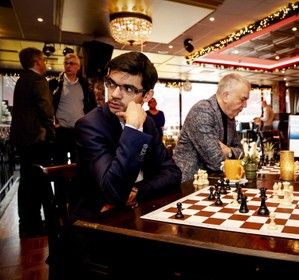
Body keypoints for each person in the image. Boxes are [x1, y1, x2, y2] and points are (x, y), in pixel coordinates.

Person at [56, 51, 181, 278]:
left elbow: (173, 172)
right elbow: (113, 193)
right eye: (111, 83)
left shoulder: (149, 124)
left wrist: (136, 190)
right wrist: (132, 130)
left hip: (135, 219)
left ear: (147, 94)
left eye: (128, 89)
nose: (114, 94)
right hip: (94, 228)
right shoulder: (89, 125)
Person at [9, 47, 55, 238]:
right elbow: (46, 110)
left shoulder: (21, 80)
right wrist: (52, 132)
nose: (45, 64)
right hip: (37, 138)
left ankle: (26, 223)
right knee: (39, 181)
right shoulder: (37, 80)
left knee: (26, 182)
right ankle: (40, 224)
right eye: (43, 60)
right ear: (37, 61)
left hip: (22, 139)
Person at [173, 73, 250, 183]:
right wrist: (230, 156)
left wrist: (228, 151)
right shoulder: (202, 111)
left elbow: (242, 153)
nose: (245, 105)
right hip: (189, 184)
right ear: (226, 96)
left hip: (215, 181)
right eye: (242, 99)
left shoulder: (230, 116)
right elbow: (216, 161)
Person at [49, 53, 97, 165]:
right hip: (61, 130)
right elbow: (47, 106)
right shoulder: (55, 84)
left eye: (72, 63)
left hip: (79, 130)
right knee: (59, 163)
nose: (68, 66)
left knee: (79, 163)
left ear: (78, 67)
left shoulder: (85, 85)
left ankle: (77, 183)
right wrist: (53, 123)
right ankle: (61, 183)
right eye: (66, 63)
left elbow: (91, 107)